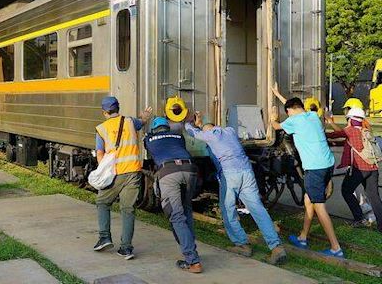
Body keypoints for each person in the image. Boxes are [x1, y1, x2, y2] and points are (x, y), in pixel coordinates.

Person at [186, 112, 287, 265]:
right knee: (257, 209)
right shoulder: (229, 131)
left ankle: (242, 244)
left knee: (228, 209)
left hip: (230, 174)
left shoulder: (209, 135)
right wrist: (203, 124)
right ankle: (276, 247)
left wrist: (190, 121)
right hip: (246, 172)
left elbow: (191, 131)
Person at [271, 97, 344, 258]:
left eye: (288, 112)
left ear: (291, 111)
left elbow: (276, 126)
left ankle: (335, 248)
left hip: (314, 168)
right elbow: (293, 104)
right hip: (328, 163)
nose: (288, 115)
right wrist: (278, 94)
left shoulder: (294, 121)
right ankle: (303, 237)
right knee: (308, 199)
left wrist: (273, 118)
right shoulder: (312, 116)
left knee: (319, 206)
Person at [93, 96, 152, 260]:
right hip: (133, 172)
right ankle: (126, 248)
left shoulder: (101, 128)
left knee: (102, 202)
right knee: (128, 209)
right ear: (118, 108)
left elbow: (100, 153)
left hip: (115, 173)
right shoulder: (130, 122)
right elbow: (142, 121)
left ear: (104, 112)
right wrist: (145, 117)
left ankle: (105, 237)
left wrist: (102, 170)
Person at [143, 117, 202, 273]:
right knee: (186, 210)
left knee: (176, 215)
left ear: (155, 129)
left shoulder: (150, 138)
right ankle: (190, 250)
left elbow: (148, 148)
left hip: (169, 172)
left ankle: (192, 260)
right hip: (189, 169)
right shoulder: (178, 136)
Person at [325, 108, 382, 233]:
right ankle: (381, 225)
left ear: (351, 119)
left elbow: (334, 134)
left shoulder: (350, 131)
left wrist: (326, 126)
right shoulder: (366, 130)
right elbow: (346, 142)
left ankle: (359, 218)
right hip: (373, 168)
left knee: (346, 191)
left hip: (359, 169)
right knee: (374, 196)